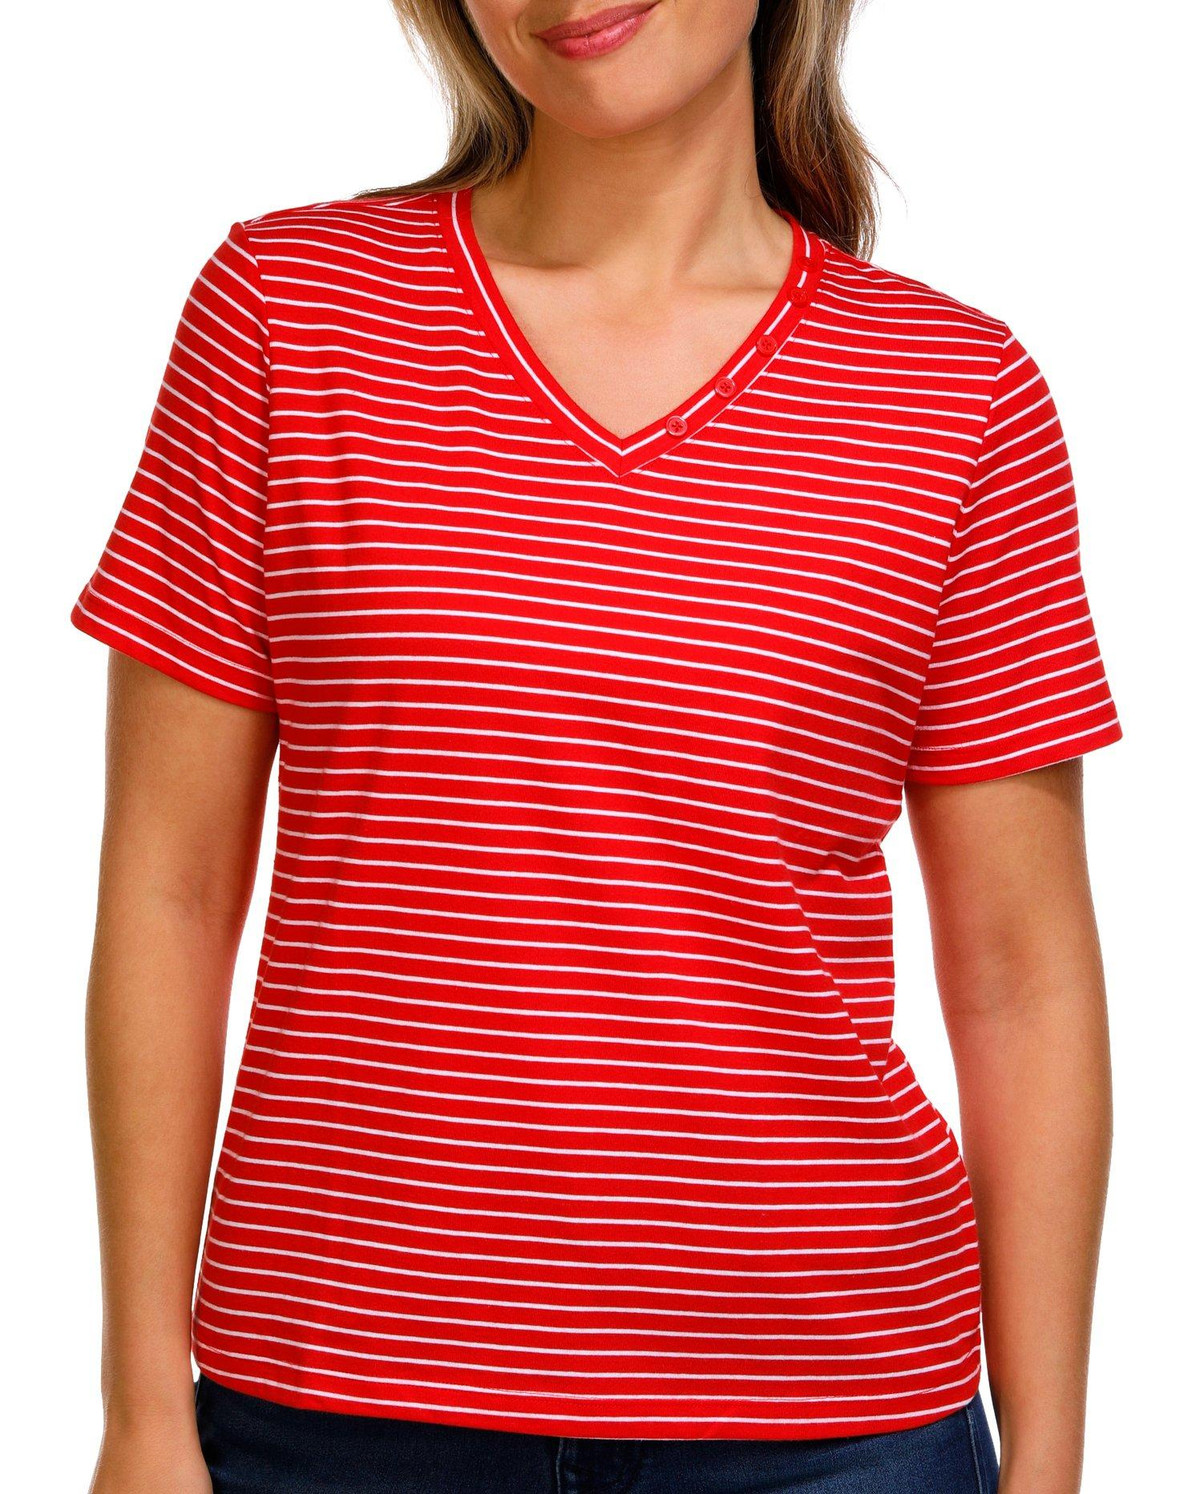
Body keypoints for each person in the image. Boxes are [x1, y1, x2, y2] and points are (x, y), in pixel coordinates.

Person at [74, 2, 1124, 1491]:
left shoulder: (956, 393)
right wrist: (138, 1410)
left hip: (829, 1422)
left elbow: (1024, 975)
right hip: (334, 1410)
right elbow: (168, 888)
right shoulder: (286, 315)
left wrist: (1054, 1460)